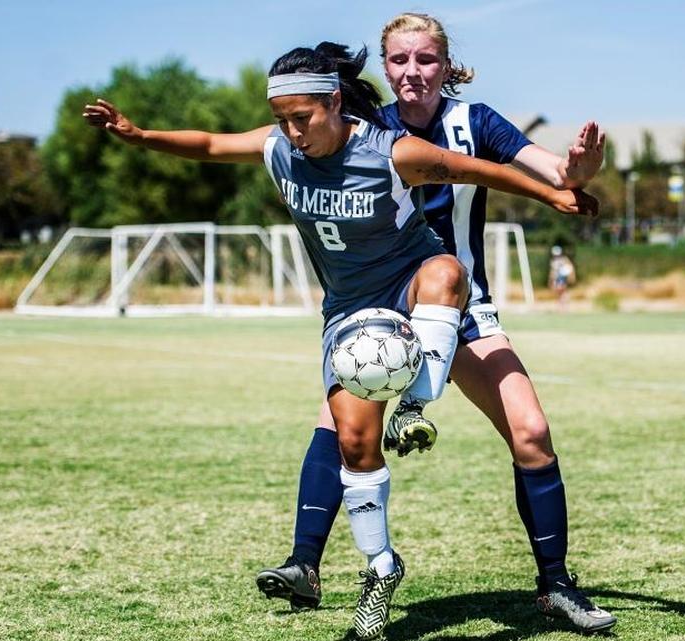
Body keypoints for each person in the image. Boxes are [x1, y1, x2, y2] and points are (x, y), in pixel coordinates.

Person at [83, 42, 595, 640]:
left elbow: (474, 170)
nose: (292, 132)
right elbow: (210, 144)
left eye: (303, 118)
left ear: (333, 103)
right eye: (283, 121)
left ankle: (416, 410)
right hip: (353, 315)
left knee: (448, 273)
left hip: (419, 290)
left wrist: (554, 194)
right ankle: (380, 571)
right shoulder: (280, 150)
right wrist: (139, 135)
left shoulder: (388, 150)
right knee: (352, 442)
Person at [258, 14, 616, 634]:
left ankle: (556, 586)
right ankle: (303, 565)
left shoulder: (475, 122)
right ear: (384, 68)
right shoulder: (361, 130)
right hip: (380, 311)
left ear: (447, 66)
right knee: (337, 426)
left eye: (426, 60)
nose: (412, 73)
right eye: (399, 61)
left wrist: (577, 172)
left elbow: (555, 172)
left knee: (531, 432)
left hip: (462, 306)